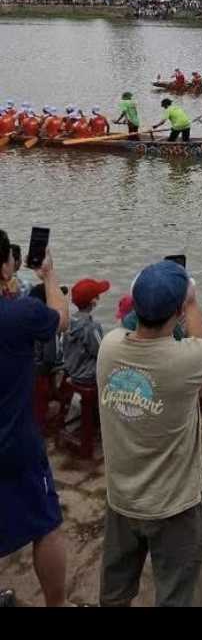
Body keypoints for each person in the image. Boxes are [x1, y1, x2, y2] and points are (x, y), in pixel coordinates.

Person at [97, 260, 202, 607]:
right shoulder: (189, 360)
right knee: (174, 596)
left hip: (122, 499)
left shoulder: (109, 347)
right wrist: (194, 303)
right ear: (179, 311)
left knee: (115, 593)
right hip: (176, 505)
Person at [0, 230, 71, 606]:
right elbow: (60, 318)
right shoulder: (20, 313)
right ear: (4, 266)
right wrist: (48, 275)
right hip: (16, 443)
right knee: (46, 524)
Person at [61, 277, 111, 386]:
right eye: (97, 295)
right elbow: (100, 353)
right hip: (88, 376)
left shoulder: (68, 322)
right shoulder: (92, 327)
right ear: (93, 301)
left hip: (72, 371)